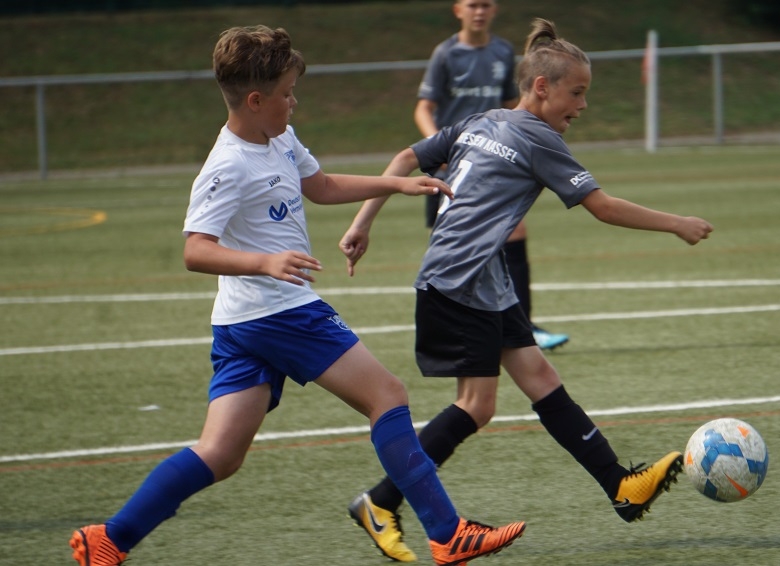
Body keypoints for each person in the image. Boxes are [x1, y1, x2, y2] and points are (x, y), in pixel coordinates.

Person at [68, 25, 524, 566]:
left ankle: (109, 539)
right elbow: (195, 250)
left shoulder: (279, 137)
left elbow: (322, 186)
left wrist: (397, 183)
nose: (295, 101)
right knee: (388, 395)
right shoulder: (227, 164)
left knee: (221, 453)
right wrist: (264, 261)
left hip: (242, 322)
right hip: (279, 312)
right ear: (255, 101)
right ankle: (448, 534)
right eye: (286, 93)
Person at [339, 18, 714, 563]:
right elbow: (603, 207)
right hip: (460, 278)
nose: (582, 105)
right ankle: (381, 502)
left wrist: (362, 223)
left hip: (481, 276)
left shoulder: (482, 119)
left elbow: (402, 159)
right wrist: (677, 223)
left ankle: (621, 486)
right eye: (576, 93)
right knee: (476, 405)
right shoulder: (540, 139)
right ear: (542, 87)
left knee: (540, 378)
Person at [415, 0, 569, 352]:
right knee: (458, 243)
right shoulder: (446, 54)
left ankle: (522, 326)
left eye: (486, 5)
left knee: (512, 231)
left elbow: (513, 104)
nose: (480, 11)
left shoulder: (501, 51)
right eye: (473, 5)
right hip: (455, 162)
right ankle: (473, 321)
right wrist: (438, 146)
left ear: (495, 10)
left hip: (495, 158)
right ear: (458, 10)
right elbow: (424, 107)